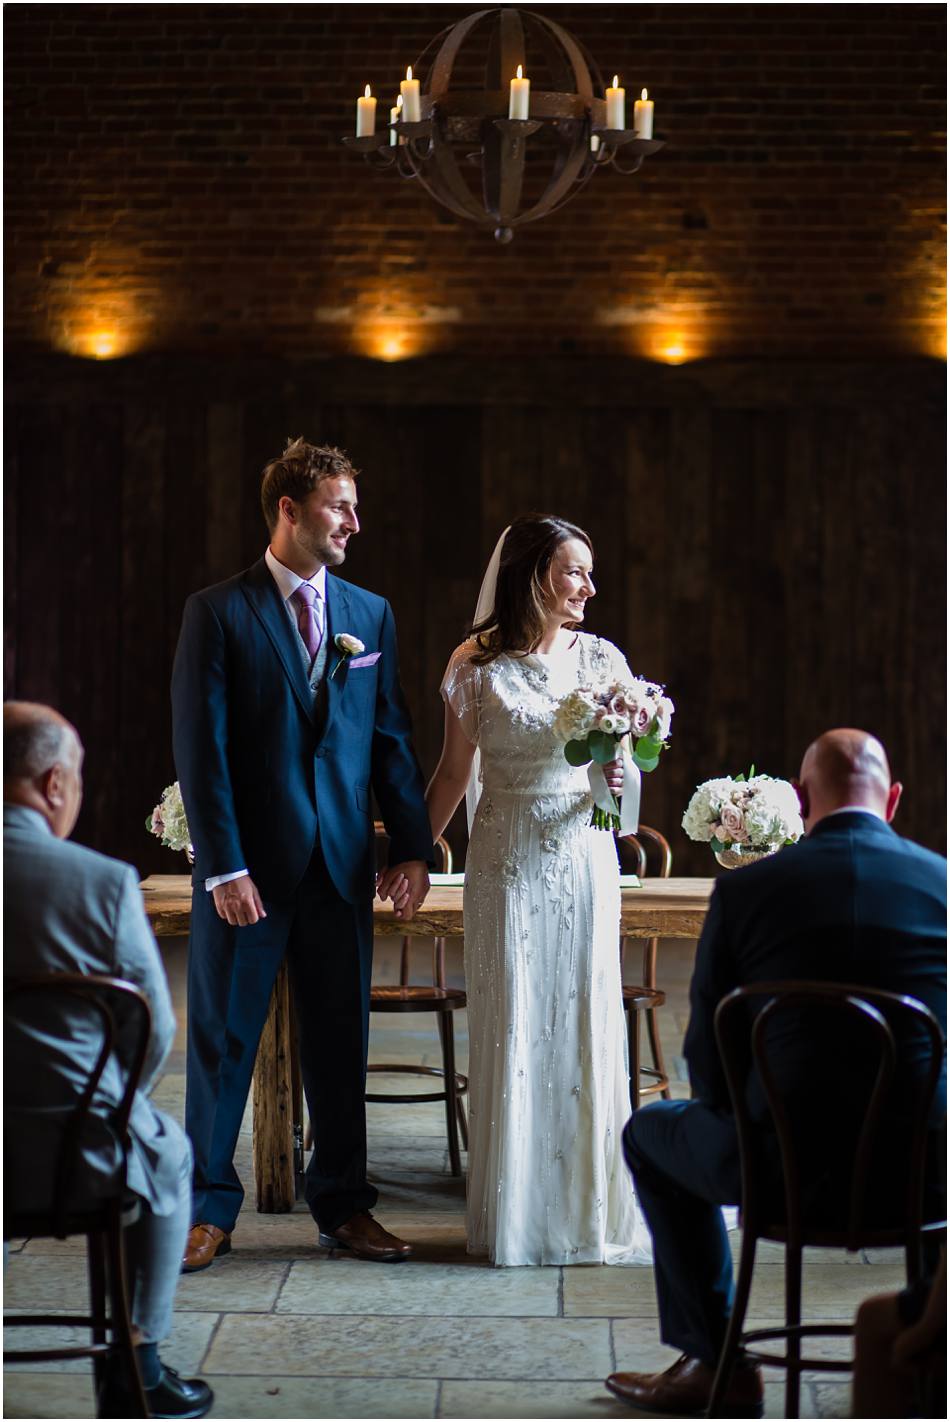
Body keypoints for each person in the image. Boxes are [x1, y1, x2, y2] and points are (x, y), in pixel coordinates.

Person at [607, 729, 947, 1418]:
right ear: (896, 800)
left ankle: (718, 1364)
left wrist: (750, 1127)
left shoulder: (747, 891)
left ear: (798, 798)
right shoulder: (942, 885)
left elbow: (707, 1056)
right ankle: (923, 1337)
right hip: (926, 1181)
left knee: (650, 1130)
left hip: (780, 1177)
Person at [171, 438, 433, 1270]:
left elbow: (389, 739)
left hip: (342, 868)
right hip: (248, 873)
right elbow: (201, 752)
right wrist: (223, 865)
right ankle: (206, 1210)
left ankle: (344, 1208)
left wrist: (414, 847)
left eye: (354, 505)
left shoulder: (370, 614)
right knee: (221, 1042)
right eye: (338, 506)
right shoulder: (218, 611)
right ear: (289, 509)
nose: (355, 520)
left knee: (338, 1040)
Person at [425, 516, 650, 1266]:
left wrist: (620, 777)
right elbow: (456, 774)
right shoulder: (474, 665)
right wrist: (415, 854)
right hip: (508, 857)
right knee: (516, 1015)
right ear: (531, 576)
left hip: (584, 853)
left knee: (583, 1016)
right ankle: (516, 1214)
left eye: (589, 572)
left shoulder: (603, 660)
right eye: (574, 571)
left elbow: (624, 780)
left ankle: (588, 1214)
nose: (589, 586)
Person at [4, 702, 213, 1419]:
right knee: (167, 1153)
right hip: (77, 1154)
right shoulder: (101, 882)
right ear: (55, 782)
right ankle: (137, 1364)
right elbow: (150, 1026)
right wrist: (114, 1104)